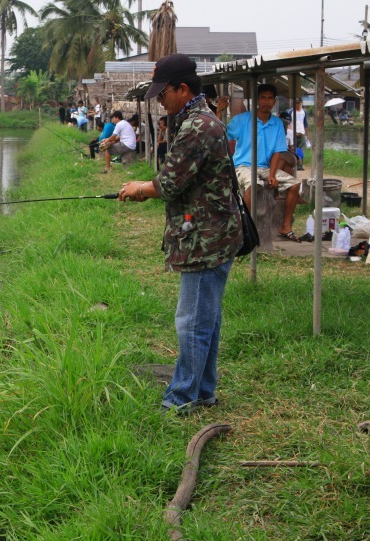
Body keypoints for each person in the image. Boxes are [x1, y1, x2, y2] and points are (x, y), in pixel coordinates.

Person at [118, 53, 242, 414]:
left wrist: (140, 187)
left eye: (163, 93)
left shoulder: (198, 127)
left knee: (192, 322)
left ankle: (180, 399)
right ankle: (203, 391)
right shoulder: (195, 120)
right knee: (207, 320)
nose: (160, 100)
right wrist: (144, 186)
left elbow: (169, 183)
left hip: (207, 240)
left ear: (183, 89)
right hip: (211, 235)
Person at [228, 83, 302, 242]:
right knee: (253, 185)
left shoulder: (277, 124)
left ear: (274, 101)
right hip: (243, 165)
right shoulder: (242, 119)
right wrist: (219, 110)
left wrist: (273, 175)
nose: (266, 102)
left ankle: (286, 226)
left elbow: (278, 151)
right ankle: (244, 229)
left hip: (266, 167)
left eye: (269, 98)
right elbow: (222, 133)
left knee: (295, 185)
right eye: (263, 98)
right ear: (257, 100)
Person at [286, 97, 309, 170]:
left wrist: (307, 134)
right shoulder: (290, 112)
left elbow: (305, 123)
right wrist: (291, 132)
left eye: (298, 103)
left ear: (301, 102)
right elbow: (288, 123)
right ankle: (293, 164)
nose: (297, 104)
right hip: (293, 134)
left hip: (301, 133)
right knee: (293, 149)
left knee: (301, 150)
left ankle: (300, 165)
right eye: (296, 103)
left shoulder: (304, 112)